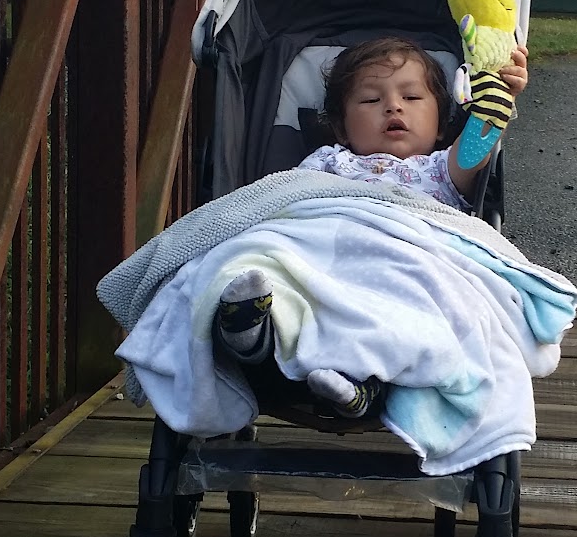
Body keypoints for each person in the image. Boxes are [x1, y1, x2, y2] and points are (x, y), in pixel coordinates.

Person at [214, 34, 529, 415]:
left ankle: (362, 385)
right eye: (370, 100)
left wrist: (499, 99)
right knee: (281, 273)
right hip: (329, 260)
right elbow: (287, 203)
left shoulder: (441, 170)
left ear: (441, 125)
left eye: (411, 97)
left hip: (405, 266)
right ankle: (255, 336)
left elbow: (476, 148)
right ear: (342, 129)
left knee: (400, 310)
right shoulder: (327, 162)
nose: (393, 106)